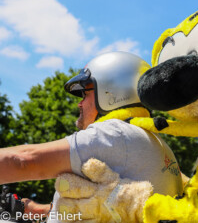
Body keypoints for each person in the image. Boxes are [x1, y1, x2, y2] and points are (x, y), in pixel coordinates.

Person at [0, 51, 183, 222]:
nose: (79, 104)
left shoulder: (113, 134)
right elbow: (101, 208)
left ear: (111, 92)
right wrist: (33, 210)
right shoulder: (155, 143)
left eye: (85, 94)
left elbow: (23, 161)